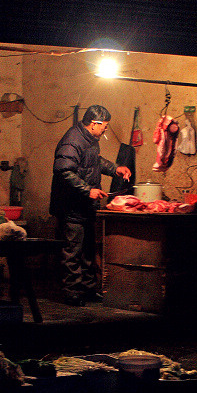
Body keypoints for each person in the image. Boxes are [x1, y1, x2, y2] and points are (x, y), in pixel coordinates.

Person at [49, 105, 132, 306]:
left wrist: (115, 169)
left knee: (87, 249)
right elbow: (64, 171)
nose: (105, 130)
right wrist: (88, 190)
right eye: (104, 126)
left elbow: (94, 162)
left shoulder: (90, 140)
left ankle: (87, 289)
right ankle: (72, 292)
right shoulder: (72, 141)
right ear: (94, 124)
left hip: (85, 206)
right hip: (72, 206)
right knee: (73, 250)